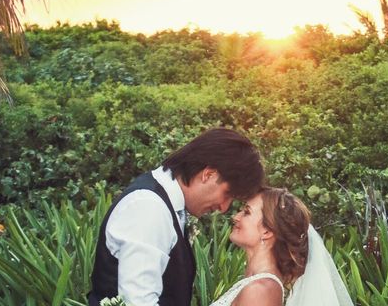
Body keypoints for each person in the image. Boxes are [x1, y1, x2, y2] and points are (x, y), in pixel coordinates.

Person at [88, 128, 265, 306]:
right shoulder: (149, 208)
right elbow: (138, 301)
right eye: (227, 195)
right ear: (209, 174)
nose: (224, 207)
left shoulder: (166, 205)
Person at [210, 187, 354, 306]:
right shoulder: (255, 284)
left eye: (247, 212)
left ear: (267, 231)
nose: (236, 217)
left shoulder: (260, 290)